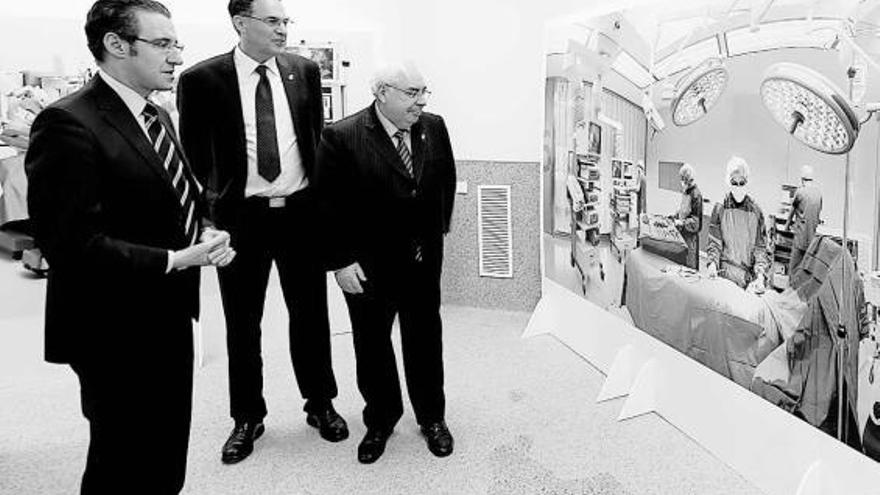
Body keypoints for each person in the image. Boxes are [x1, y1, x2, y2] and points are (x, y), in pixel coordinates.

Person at [25, 1, 236, 492]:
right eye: (162, 44)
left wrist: (204, 230)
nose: (177, 57)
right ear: (116, 45)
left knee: (164, 457)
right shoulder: (67, 123)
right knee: (121, 462)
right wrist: (175, 260)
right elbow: (70, 243)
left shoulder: (156, 113)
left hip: (166, 315)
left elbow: (177, 195)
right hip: (111, 327)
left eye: (177, 44)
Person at [177, 0, 346, 465]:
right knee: (242, 324)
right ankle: (247, 416)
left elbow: (316, 142)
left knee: (311, 316)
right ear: (240, 23)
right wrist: (207, 220)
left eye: (285, 21)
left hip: (300, 215)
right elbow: (193, 158)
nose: (282, 30)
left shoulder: (304, 71)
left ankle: (321, 403)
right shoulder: (201, 80)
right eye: (272, 21)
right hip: (241, 220)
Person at [314, 62, 457, 464]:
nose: (422, 101)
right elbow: (328, 205)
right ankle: (380, 419)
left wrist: (437, 230)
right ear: (382, 93)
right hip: (368, 266)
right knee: (372, 344)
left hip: (423, 260)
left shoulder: (434, 126)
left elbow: (444, 178)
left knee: (426, 340)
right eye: (412, 93)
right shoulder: (342, 136)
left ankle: (432, 418)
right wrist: (340, 261)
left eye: (424, 91)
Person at [707, 156, 769, 292]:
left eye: (742, 183)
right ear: (728, 182)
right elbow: (715, 242)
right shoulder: (720, 208)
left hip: (746, 280)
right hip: (724, 275)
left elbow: (760, 247)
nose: (738, 187)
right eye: (734, 183)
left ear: (747, 181)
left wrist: (760, 275)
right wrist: (712, 263)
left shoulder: (756, 212)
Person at [785, 165, 822, 275]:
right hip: (812, 238)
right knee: (806, 270)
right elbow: (818, 212)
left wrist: (787, 226)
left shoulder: (800, 192)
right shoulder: (818, 193)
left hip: (801, 237)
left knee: (794, 268)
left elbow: (792, 211)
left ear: (802, 179)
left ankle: (790, 290)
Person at [672, 163, 703, 270]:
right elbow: (684, 210)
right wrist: (675, 215)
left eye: (683, 179)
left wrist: (682, 223)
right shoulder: (686, 191)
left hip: (690, 239)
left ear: (688, 179)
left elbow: (696, 223)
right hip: (683, 235)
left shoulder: (696, 195)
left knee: (689, 269)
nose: (682, 182)